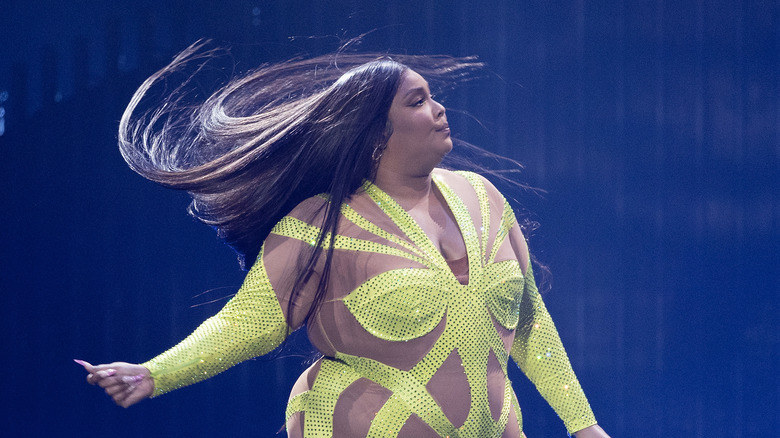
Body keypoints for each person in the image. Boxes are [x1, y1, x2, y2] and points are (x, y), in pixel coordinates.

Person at [77, 42, 610, 438]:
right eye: (417, 101)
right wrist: (154, 374)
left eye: (433, 97)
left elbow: (531, 323)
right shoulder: (320, 224)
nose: (439, 109)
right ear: (377, 133)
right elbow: (250, 323)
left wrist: (583, 425)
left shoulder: (485, 197)